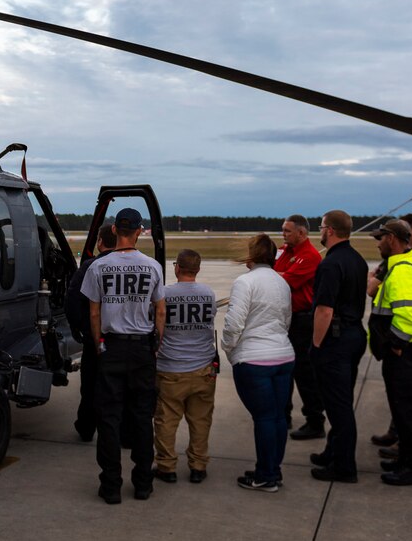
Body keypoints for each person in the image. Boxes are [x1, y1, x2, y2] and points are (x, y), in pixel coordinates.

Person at [82, 208, 165, 504]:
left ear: (115, 230)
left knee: (109, 418)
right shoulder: (153, 267)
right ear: (140, 231)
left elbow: (94, 312)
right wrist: (156, 343)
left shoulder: (98, 267)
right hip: (142, 347)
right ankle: (143, 483)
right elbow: (160, 310)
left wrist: (99, 345)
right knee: (142, 417)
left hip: (112, 347)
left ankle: (111, 486)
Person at [368, 220, 412, 486]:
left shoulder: (404, 270)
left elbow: (409, 313)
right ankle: (406, 458)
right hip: (402, 351)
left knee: (407, 411)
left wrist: (395, 343)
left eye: (381, 238)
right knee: (401, 409)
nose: (378, 243)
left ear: (393, 239)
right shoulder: (401, 267)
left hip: (403, 352)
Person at [223, 234, 293, 492]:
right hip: (283, 355)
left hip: (255, 359)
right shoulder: (281, 282)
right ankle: (273, 469)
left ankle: (266, 474)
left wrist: (228, 349)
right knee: (277, 417)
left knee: (264, 418)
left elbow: (234, 322)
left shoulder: (245, 282)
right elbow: (286, 319)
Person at [308, 210, 368, 484]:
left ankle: (344, 466)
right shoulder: (356, 259)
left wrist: (317, 345)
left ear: (330, 230)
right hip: (354, 334)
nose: (319, 232)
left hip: (336, 339)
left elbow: (324, 310)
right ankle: (333, 451)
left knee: (339, 406)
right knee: (339, 401)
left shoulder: (331, 264)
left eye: (321, 227)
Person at [153, 249, 218, 485]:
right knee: (200, 420)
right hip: (203, 367)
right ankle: (198, 466)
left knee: (166, 420)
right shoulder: (208, 293)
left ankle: (166, 466)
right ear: (198, 269)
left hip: (171, 367)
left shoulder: (165, 293)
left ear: (177, 268)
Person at [64, 224, 117, 442]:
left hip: (96, 338)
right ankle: (124, 432)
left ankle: (86, 427)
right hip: (126, 340)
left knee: (91, 386)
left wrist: (81, 328)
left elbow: (72, 301)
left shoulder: (90, 266)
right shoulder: (137, 264)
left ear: (100, 242)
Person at [274, 214, 325, 440]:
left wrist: (268, 273)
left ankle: (315, 420)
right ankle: (284, 415)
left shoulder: (309, 256)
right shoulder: (288, 252)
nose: (283, 235)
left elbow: (284, 280)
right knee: (284, 369)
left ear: (301, 233)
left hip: (302, 321)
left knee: (304, 373)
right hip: (286, 319)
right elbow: (277, 271)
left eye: (287, 231)